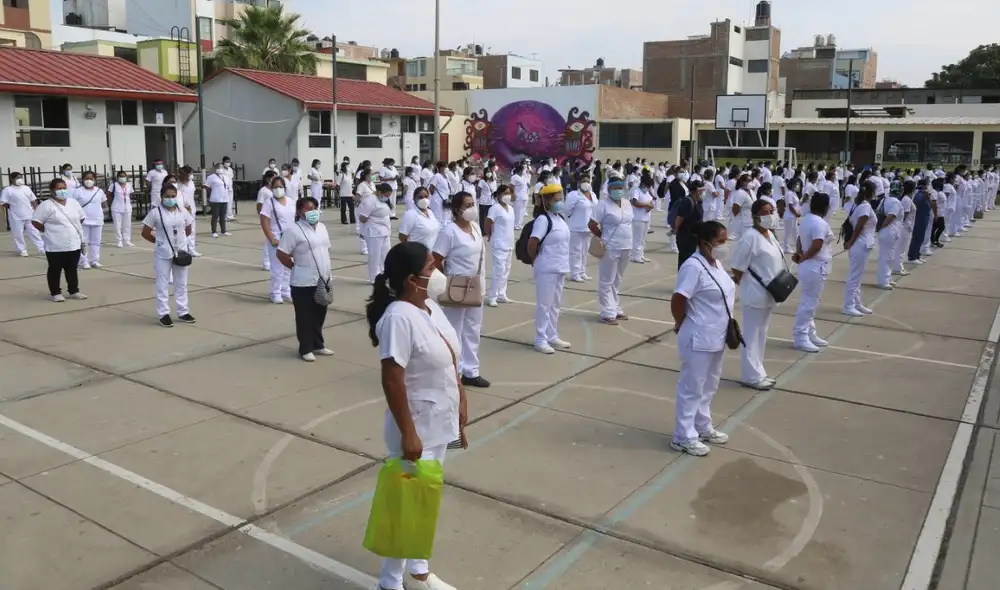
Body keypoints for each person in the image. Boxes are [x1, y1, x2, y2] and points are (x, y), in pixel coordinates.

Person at [365, 241, 465, 590]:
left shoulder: (431, 309)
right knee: (407, 505)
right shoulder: (398, 318)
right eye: (429, 269)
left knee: (424, 498)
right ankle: (390, 581)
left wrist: (461, 406)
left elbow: (451, 360)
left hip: (439, 422)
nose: (436, 274)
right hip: (417, 426)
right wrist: (409, 433)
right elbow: (392, 379)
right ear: (411, 280)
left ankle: (419, 569)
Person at [669, 220, 733, 457]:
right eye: (720, 241)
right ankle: (683, 436)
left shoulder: (716, 263)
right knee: (692, 387)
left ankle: (702, 425)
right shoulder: (693, 266)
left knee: (709, 385)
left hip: (717, 335)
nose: (724, 246)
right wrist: (680, 323)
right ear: (705, 243)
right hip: (697, 335)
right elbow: (678, 299)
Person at [432, 192, 490, 388]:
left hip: (475, 285)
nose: (472, 208)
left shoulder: (474, 227)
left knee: (473, 329)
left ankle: (471, 371)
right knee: (453, 330)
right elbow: (436, 260)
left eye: (473, 203)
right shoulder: (449, 231)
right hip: (457, 286)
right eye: (468, 205)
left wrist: (482, 286)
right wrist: (447, 282)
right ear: (457, 210)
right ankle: (452, 371)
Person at [730, 200, 784, 390]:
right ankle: (750, 375)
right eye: (764, 212)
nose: (769, 216)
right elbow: (737, 268)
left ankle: (758, 370)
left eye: (771, 211)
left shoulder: (769, 234)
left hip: (769, 294)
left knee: (762, 333)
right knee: (751, 334)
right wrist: (749, 283)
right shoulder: (749, 237)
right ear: (755, 216)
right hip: (754, 294)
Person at [277, 197, 334, 362]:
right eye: (308, 209)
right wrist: (295, 267)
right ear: (299, 212)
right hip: (303, 281)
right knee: (304, 316)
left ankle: (318, 344)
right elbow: (281, 253)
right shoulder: (293, 230)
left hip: (322, 279)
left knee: (319, 314)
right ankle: (305, 348)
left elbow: (325, 249)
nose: (312, 212)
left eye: (314, 208)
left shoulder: (322, 227)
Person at [141, 184, 195, 327]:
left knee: (181, 283)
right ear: (162, 197)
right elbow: (145, 232)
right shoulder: (155, 213)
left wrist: (181, 242)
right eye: (167, 196)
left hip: (181, 252)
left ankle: (183, 311)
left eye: (173, 196)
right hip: (163, 253)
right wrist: (159, 242)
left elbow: (188, 228)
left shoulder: (183, 211)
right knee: (162, 284)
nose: (170, 199)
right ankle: (163, 313)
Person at [528, 184, 571, 353]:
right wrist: (535, 259)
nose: (560, 201)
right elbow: (533, 243)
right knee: (544, 305)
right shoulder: (543, 220)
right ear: (547, 201)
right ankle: (540, 339)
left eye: (561, 198)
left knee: (555, 305)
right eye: (556, 199)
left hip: (560, 267)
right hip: (546, 267)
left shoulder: (559, 218)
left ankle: (552, 335)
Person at [32, 179, 87, 302]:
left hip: (73, 243)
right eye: (59, 189)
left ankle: (74, 291)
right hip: (55, 244)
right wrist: (47, 230)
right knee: (55, 268)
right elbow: (36, 221)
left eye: (64, 188)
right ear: (52, 190)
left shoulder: (73, 203)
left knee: (72, 268)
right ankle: (55, 292)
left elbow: (81, 218)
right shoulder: (46, 205)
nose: (62, 191)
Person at [792, 193, 833, 353]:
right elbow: (817, 245)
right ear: (825, 207)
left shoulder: (807, 219)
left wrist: (800, 253)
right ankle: (800, 336)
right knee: (809, 303)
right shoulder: (819, 223)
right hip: (814, 266)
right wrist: (804, 257)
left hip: (811, 265)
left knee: (810, 301)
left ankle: (810, 333)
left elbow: (799, 239)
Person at [590, 178, 634, 326]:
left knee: (618, 278)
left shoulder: (627, 203)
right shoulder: (603, 205)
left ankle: (615, 306)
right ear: (608, 189)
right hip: (610, 246)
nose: (618, 190)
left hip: (626, 245)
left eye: (620, 187)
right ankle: (606, 311)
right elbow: (592, 224)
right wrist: (602, 236)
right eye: (615, 188)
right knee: (606, 279)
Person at [260, 176, 297, 304]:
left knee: (288, 267)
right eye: (275, 187)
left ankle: (286, 290)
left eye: (280, 187)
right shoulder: (268, 203)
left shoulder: (291, 202)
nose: (278, 189)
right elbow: (264, 222)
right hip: (276, 237)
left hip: (290, 238)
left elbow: (295, 219)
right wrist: (271, 238)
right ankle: (275, 292)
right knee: (277, 268)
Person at [843, 183, 876, 317]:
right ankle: (848, 305)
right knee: (854, 277)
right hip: (859, 244)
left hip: (861, 244)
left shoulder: (858, 205)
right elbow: (859, 227)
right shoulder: (865, 206)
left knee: (857, 276)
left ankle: (856, 303)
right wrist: (850, 242)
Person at [484, 184, 515, 308]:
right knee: (498, 271)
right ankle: (492, 296)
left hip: (509, 242)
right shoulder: (495, 208)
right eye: (505, 193)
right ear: (499, 195)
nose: (508, 195)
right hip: (498, 242)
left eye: (509, 193)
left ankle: (502, 294)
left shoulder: (511, 208)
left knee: (506, 270)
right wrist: (489, 234)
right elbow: (488, 222)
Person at [1, 171, 45, 257]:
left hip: (29, 214)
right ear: (12, 179)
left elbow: (33, 200)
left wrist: (35, 209)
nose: (19, 179)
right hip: (16, 216)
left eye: (20, 177)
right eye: (17, 178)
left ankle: (41, 248)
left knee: (34, 232)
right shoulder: (8, 190)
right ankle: (22, 250)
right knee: (18, 233)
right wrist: (11, 207)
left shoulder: (26, 188)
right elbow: (3, 202)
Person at [71, 170, 107, 270]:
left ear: (95, 180)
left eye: (91, 178)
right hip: (83, 220)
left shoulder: (99, 191)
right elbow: (72, 205)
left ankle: (95, 260)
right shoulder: (78, 191)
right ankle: (84, 261)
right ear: (83, 180)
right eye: (87, 178)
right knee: (84, 242)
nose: (89, 180)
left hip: (97, 219)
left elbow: (104, 203)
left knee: (96, 241)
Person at [359, 183, 394, 284]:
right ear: (380, 192)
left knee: (386, 254)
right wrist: (373, 221)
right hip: (374, 232)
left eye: (388, 196)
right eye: (386, 195)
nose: (387, 198)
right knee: (375, 255)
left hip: (385, 231)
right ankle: (374, 277)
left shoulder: (384, 200)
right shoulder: (370, 200)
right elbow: (362, 218)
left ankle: (386, 274)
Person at [565, 173, 597, 283]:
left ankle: (582, 272)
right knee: (576, 252)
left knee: (584, 252)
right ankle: (574, 273)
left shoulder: (592, 194)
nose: (586, 183)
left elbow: (595, 209)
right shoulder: (573, 195)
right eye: (583, 181)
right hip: (576, 228)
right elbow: (567, 210)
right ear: (579, 183)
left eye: (588, 181)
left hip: (589, 228)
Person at [875, 183, 902, 290]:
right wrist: (882, 226)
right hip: (889, 231)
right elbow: (891, 216)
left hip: (887, 231)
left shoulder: (884, 200)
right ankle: (883, 281)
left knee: (889, 256)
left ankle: (888, 277)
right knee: (886, 257)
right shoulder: (895, 202)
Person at [673, 180, 705, 269]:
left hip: (694, 237)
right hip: (686, 237)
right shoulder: (687, 201)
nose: (703, 192)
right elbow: (679, 218)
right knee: (685, 261)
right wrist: (676, 230)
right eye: (702, 190)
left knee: (692, 261)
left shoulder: (699, 202)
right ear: (696, 190)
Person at [630, 175, 655, 263]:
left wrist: (651, 206)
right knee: (638, 238)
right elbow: (634, 202)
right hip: (638, 218)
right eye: (648, 185)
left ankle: (641, 254)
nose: (648, 188)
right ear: (643, 184)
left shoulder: (647, 192)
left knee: (643, 238)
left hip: (646, 217)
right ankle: (635, 256)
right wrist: (646, 205)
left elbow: (651, 201)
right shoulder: (637, 191)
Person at [893, 180, 916, 277]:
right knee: (901, 249)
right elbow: (904, 214)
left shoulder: (906, 198)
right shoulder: (906, 200)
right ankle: (898, 268)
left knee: (901, 248)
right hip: (905, 226)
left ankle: (897, 266)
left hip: (907, 226)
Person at [204, 163, 231, 238]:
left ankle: (224, 231)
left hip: (224, 198)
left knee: (223, 215)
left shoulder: (225, 177)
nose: (220, 169)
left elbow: (227, 186)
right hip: (215, 199)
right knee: (215, 215)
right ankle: (214, 231)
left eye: (221, 167)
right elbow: (206, 186)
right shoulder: (211, 177)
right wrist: (211, 192)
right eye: (218, 167)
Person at [729, 174, 754, 242]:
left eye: (751, 180)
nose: (751, 182)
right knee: (742, 242)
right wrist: (739, 220)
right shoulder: (740, 193)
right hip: (743, 223)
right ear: (742, 182)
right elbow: (735, 209)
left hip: (751, 221)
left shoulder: (751, 191)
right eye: (748, 181)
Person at [511, 162, 530, 230]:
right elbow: (512, 186)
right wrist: (513, 194)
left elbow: (526, 184)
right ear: (519, 170)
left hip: (524, 196)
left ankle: (519, 224)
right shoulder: (514, 177)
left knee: (522, 211)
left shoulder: (523, 177)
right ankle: (515, 225)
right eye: (522, 170)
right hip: (518, 197)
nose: (523, 171)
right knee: (517, 211)